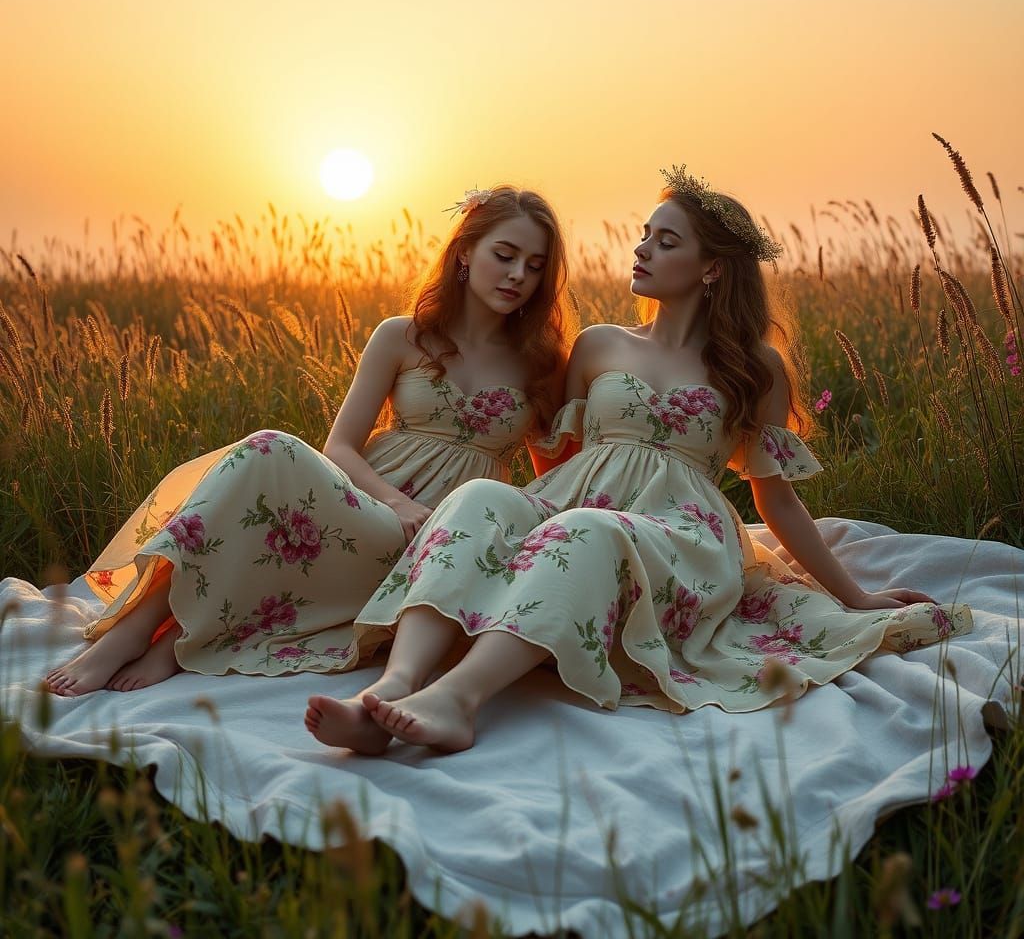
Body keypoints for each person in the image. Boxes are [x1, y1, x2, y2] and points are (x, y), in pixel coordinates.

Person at [305, 165, 973, 754]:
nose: (642, 247)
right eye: (645, 234)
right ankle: (392, 687)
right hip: (584, 513)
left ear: (711, 268)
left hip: (680, 539)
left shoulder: (753, 367)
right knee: (482, 499)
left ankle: (457, 701)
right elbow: (555, 461)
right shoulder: (598, 346)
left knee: (586, 527)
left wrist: (854, 596)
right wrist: (517, 531)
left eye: (665, 239)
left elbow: (777, 498)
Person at [45, 185, 575, 697]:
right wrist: (394, 502)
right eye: (504, 255)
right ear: (464, 251)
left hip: (448, 536)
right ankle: (139, 630)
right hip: (368, 505)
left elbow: (552, 467)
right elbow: (340, 445)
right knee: (269, 450)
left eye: (534, 266)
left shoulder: (541, 361)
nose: (517, 276)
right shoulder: (403, 335)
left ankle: (180, 644)